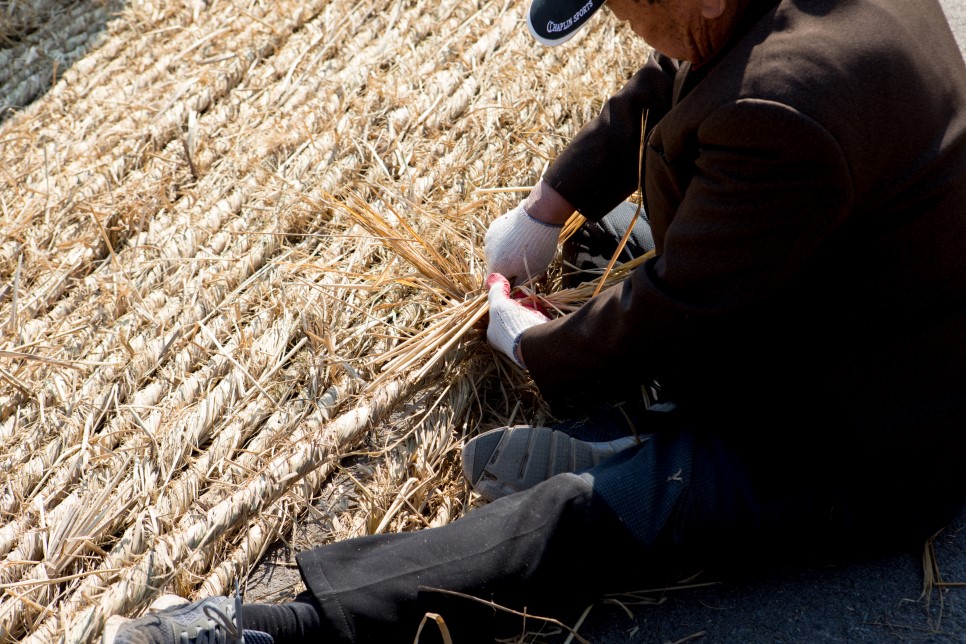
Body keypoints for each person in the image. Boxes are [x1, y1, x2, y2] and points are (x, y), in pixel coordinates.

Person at [114, 0, 966, 642]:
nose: (626, 25)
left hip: (859, 444)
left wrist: (541, 347)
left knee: (588, 514)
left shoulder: (786, 107)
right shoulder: (761, 20)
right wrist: (547, 207)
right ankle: (641, 418)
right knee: (605, 241)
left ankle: (282, 626)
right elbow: (668, 89)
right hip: (850, 297)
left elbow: (678, 305)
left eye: (630, 5)